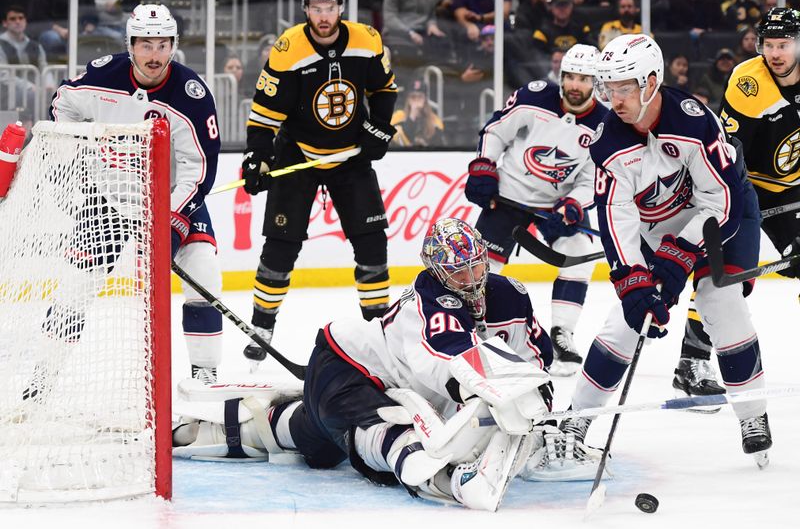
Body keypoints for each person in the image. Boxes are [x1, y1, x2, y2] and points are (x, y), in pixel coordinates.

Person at [173, 218, 604, 510]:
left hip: (355, 384)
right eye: (458, 274)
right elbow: (442, 361)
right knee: (395, 435)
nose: (472, 281)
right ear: (437, 272)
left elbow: (534, 358)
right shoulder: (426, 303)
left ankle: (229, 429)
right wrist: (489, 391)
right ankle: (447, 481)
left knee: (318, 445)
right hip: (348, 367)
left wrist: (540, 406)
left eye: (476, 268)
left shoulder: (510, 293)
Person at [561, 34, 772, 467]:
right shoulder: (609, 142)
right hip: (655, 229)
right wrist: (632, 280)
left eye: (623, 87)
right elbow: (615, 217)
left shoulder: (695, 123)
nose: (612, 99)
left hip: (725, 216)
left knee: (720, 301)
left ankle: (753, 415)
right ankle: (576, 419)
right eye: (608, 88)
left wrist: (681, 254)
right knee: (625, 318)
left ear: (651, 82)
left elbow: (720, 202)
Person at [48, 4, 224, 384]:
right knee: (74, 288)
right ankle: (44, 372)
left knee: (204, 273)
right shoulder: (103, 76)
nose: (155, 54)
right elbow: (63, 104)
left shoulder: (191, 94)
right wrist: (75, 155)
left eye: (163, 44)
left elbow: (200, 166)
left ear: (174, 45)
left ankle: (205, 376)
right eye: (146, 44)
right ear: (131, 45)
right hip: (109, 198)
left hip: (171, 201)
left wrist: (172, 218)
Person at [241, 0, 398, 362]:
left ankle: (378, 328)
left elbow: (385, 90)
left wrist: (379, 128)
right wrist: (258, 158)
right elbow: (263, 116)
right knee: (281, 244)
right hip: (298, 152)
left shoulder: (367, 40)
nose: (323, 16)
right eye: (316, 8)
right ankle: (262, 325)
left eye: (330, 7)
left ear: (341, 8)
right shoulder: (287, 49)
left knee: (372, 242)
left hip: (350, 155)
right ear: (305, 10)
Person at [676, 8, 800, 401]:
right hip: (743, 185)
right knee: (728, 278)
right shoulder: (750, 82)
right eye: (769, 45)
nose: (775, 53)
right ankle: (691, 361)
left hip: (792, 186)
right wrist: (730, 205)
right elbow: (729, 153)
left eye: (784, 45)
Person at [464, 44, 608, 376]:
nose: (574, 84)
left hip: (554, 207)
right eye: (569, 76)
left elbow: (594, 176)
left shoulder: (604, 124)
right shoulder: (535, 96)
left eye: (583, 78)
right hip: (509, 196)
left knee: (580, 252)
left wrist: (574, 206)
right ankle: (479, 334)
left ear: (596, 82)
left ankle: (562, 334)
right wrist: (484, 166)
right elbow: (495, 130)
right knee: (480, 270)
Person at [0, 5, 48, 119]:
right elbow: (3, 75)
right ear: (5, 23)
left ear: (25, 22)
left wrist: (49, 84)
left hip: (35, 92)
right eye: (13, 19)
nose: (17, 22)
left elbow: (45, 69)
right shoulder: (1, 44)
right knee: (32, 95)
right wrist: (29, 86)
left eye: (21, 18)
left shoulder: (36, 46)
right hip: (6, 94)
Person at [390, 78, 446, 147]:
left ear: (425, 100)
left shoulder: (434, 120)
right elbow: (393, 140)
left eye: (420, 97)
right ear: (408, 99)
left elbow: (439, 144)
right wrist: (412, 115)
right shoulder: (398, 116)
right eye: (413, 97)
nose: (416, 100)